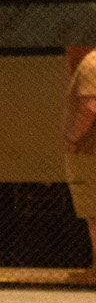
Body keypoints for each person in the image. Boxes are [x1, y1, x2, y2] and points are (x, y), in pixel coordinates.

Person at [64, 48, 96, 282]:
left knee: (94, 213)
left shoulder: (90, 64)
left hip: (90, 151)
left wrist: (72, 138)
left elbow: (90, 107)